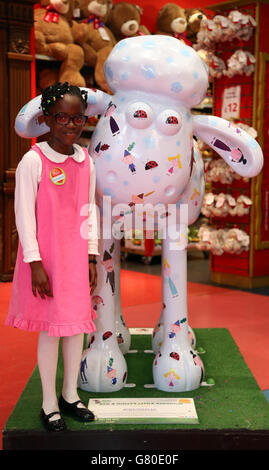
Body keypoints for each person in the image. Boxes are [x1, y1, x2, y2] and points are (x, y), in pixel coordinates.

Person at [6, 82, 99, 432]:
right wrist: (35, 263)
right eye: (62, 117)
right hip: (46, 261)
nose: (71, 125)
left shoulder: (85, 159)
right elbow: (24, 216)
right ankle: (48, 403)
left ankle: (70, 394)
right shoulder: (34, 160)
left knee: (75, 327)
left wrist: (91, 255)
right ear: (46, 119)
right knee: (51, 330)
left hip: (76, 259)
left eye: (78, 118)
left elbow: (89, 209)